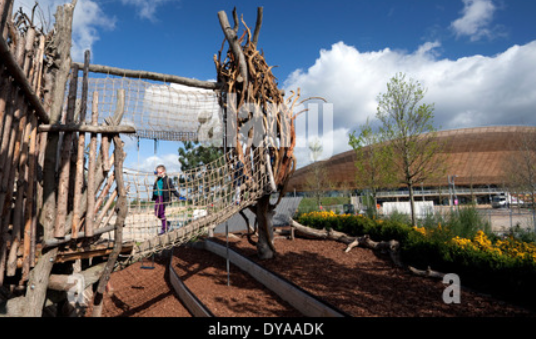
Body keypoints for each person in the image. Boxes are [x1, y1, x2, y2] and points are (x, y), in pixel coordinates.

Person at [152, 165, 184, 235]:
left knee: (161, 213)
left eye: (159, 172)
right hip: (157, 197)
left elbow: (172, 189)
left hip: (163, 198)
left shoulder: (167, 180)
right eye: (156, 172)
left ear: (164, 172)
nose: (157, 173)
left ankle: (164, 228)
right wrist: (156, 173)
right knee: (156, 213)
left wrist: (180, 196)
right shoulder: (157, 179)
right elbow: (155, 175)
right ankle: (167, 223)